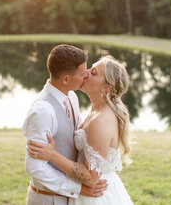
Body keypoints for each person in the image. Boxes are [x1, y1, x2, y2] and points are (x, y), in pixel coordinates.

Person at [28, 55, 134, 204]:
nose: (86, 73)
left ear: (106, 87)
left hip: (96, 195)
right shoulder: (95, 110)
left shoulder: (101, 121)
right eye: (90, 68)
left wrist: (52, 155)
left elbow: (91, 178)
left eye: (93, 73)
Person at [22, 44, 108, 205]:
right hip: (48, 199)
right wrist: (79, 189)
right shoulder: (43, 111)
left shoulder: (72, 97)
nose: (87, 76)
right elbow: (34, 167)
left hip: (72, 198)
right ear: (66, 79)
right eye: (83, 73)